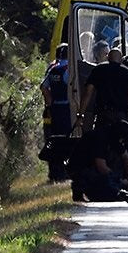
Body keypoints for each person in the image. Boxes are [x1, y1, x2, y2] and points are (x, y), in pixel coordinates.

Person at [77, 48, 128, 134]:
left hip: (103, 114)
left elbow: (87, 93)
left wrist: (80, 115)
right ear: (121, 60)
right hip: (122, 115)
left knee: (101, 141)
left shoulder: (98, 70)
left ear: (108, 57)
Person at [67, 120, 128, 201]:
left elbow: (126, 157)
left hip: (92, 170)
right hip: (80, 172)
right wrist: (119, 181)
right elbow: (101, 167)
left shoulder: (113, 138)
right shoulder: (100, 138)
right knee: (111, 191)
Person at [40, 43, 72, 181]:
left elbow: (44, 87)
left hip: (55, 108)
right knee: (67, 139)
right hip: (67, 109)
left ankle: (55, 171)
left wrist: (50, 103)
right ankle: (65, 171)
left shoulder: (53, 69)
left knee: (54, 138)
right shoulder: (68, 69)